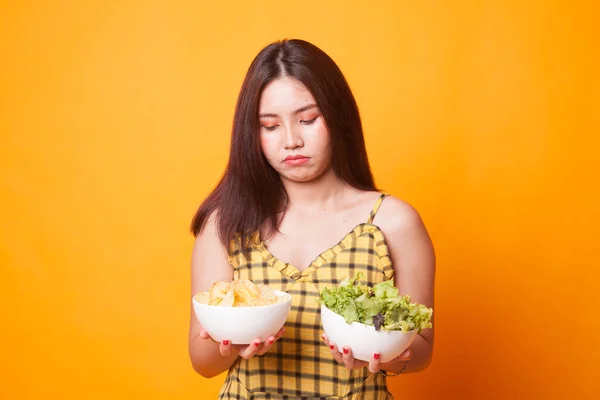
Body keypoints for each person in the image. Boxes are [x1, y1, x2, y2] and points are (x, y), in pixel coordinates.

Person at [188, 38, 435, 399]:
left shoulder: (393, 222)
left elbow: (423, 349)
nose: (291, 140)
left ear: (338, 116)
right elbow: (201, 361)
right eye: (270, 126)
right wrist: (230, 345)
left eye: (307, 119)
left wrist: (386, 355)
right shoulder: (225, 224)